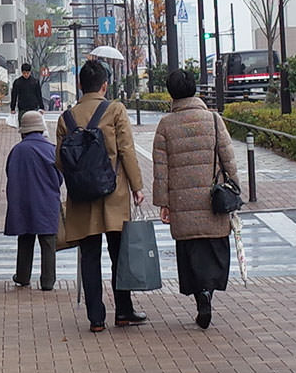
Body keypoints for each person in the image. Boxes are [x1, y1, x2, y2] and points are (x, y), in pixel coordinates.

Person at [55, 58, 145, 332]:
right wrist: (136, 186)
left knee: (89, 255)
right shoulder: (115, 110)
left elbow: (60, 160)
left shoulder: (66, 118)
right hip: (113, 194)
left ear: (81, 85)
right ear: (104, 85)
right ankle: (123, 311)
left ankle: (96, 318)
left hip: (81, 197)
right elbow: (127, 150)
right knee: (119, 254)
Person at [151, 68, 238, 329]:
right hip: (214, 202)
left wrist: (163, 203)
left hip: (182, 204)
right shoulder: (213, 119)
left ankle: (200, 294)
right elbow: (228, 158)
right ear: (195, 90)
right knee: (215, 249)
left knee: (191, 251)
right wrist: (235, 188)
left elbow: (160, 169)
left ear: (171, 94)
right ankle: (208, 292)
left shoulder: (166, 125)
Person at [4, 110, 60, 290]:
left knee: (25, 239)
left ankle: (22, 275)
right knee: (48, 242)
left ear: (24, 131)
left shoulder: (17, 150)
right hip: (47, 201)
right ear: (41, 129)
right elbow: (59, 177)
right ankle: (48, 281)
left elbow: (10, 173)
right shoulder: (51, 149)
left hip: (23, 201)